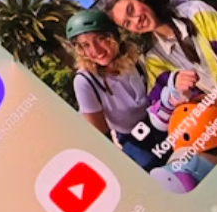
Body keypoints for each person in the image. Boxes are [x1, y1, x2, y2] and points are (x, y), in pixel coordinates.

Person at [99, 0, 217, 127]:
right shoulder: (153, 59)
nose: (136, 20)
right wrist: (172, 90)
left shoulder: (196, 12)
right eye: (127, 23)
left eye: (131, 9)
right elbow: (159, 118)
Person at [65, 9, 167, 169]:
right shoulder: (85, 81)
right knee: (151, 167)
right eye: (85, 45)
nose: (95, 50)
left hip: (157, 118)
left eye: (100, 39)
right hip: (130, 136)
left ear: (113, 36)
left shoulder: (136, 59)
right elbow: (100, 133)